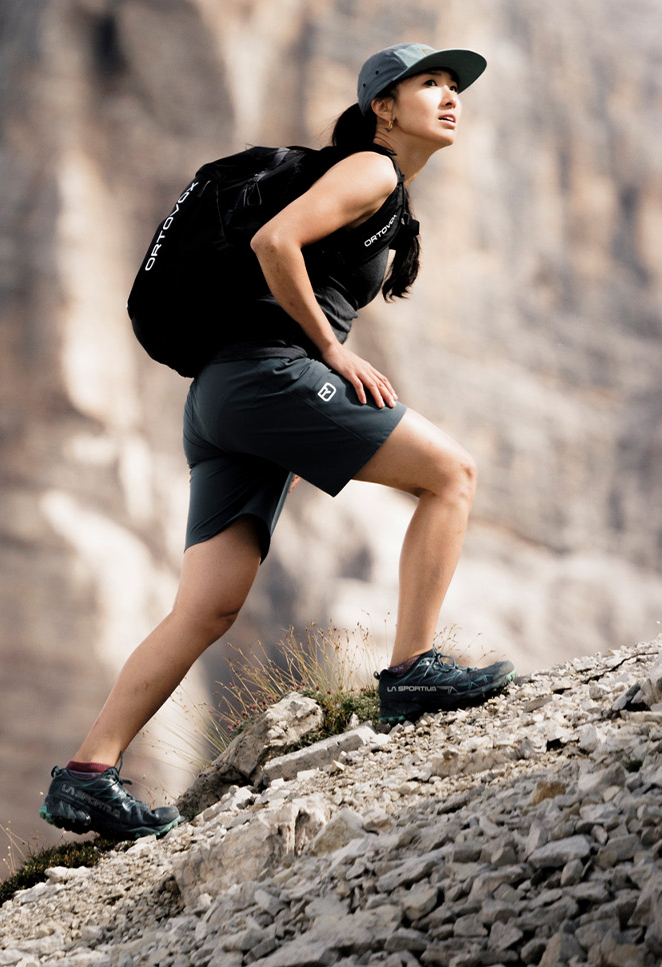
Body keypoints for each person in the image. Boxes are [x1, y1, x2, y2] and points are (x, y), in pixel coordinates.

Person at [41, 42, 515, 842]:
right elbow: (275, 244)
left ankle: (87, 775)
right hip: (266, 378)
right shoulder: (371, 170)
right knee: (451, 475)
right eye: (427, 83)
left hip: (221, 399)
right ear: (384, 109)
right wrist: (330, 352)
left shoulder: (388, 195)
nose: (449, 95)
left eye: (454, 84)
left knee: (207, 605)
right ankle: (412, 674)